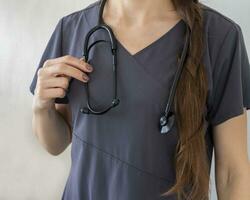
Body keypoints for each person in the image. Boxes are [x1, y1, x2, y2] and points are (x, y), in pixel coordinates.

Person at [29, 0, 250, 199]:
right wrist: (42, 105)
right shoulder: (72, 29)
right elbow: (55, 144)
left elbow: (233, 173)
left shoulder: (219, 37)